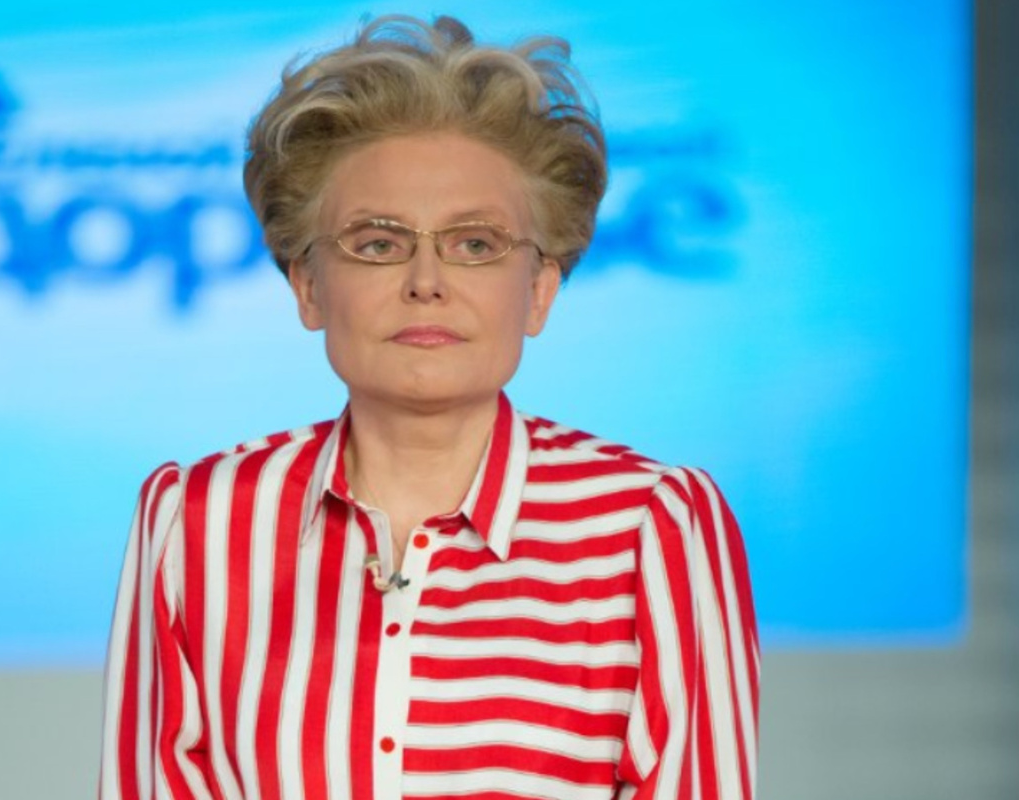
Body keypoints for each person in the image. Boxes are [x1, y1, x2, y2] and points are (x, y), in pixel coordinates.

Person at [98, 14, 759, 800]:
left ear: (540, 290)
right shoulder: (195, 523)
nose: (426, 282)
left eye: (475, 244)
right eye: (377, 244)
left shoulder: (650, 526)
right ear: (307, 285)